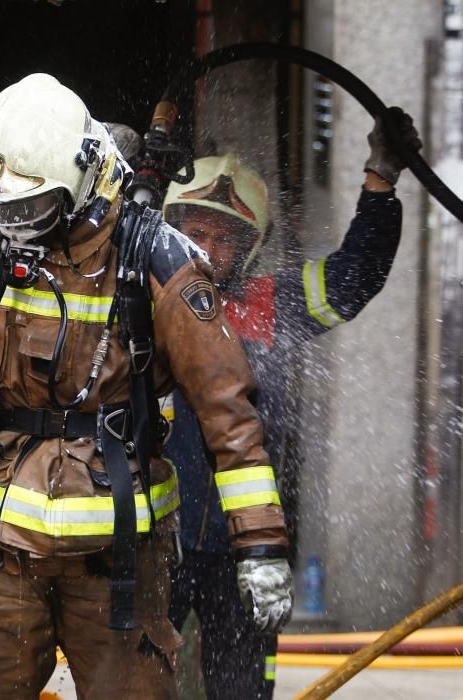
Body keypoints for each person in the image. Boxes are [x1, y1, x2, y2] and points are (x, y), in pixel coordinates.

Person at [0, 72, 293, 699]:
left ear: (83, 182)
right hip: (1, 549)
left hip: (119, 558)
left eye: (28, 210)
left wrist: (259, 545)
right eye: (0, 213)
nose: (16, 230)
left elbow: (230, 415)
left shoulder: (161, 261)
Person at [161, 108, 422, 699]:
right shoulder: (143, 296)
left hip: (246, 549)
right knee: (133, 682)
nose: (204, 250)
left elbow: (356, 275)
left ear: (251, 248)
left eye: (223, 238)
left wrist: (380, 180)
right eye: (194, 232)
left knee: (242, 689)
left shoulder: (271, 303)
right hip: (160, 540)